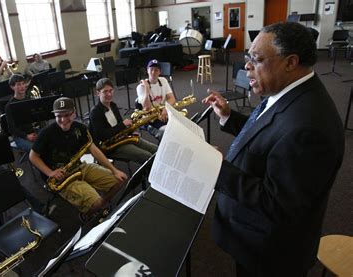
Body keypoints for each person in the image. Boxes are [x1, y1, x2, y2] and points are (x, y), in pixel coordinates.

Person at [202, 22, 344, 276]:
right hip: (252, 239)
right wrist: (228, 117)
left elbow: (278, 205)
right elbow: (270, 135)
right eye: (248, 57)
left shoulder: (310, 127)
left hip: (269, 255)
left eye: (256, 59)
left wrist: (216, 167)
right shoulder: (290, 91)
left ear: (290, 62)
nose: (246, 66)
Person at [29, 97, 127, 217]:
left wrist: (114, 170)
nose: (63, 120)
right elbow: (33, 156)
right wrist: (50, 173)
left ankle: (98, 206)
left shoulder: (80, 128)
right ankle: (90, 212)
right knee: (96, 203)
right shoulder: (46, 133)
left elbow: (94, 150)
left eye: (67, 115)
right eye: (58, 116)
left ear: (74, 113)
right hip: (60, 177)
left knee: (119, 181)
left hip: (79, 167)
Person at [89, 77, 158, 165]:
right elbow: (103, 136)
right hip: (109, 146)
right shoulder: (95, 112)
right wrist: (122, 125)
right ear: (98, 93)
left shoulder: (113, 106)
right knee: (147, 156)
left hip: (121, 139)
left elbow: (120, 126)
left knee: (156, 149)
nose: (109, 94)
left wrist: (130, 132)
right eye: (105, 91)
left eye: (111, 90)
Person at [136, 59, 176, 139]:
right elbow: (146, 107)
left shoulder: (163, 80)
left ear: (160, 72)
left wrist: (165, 109)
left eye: (156, 70)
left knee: (178, 127)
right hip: (151, 117)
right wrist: (147, 89)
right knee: (167, 133)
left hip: (163, 112)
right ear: (147, 70)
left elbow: (172, 98)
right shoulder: (140, 87)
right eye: (151, 70)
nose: (153, 72)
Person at [5, 74, 37, 152]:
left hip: (33, 130)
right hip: (20, 136)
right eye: (18, 85)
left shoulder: (30, 99)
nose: (22, 87)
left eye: (23, 84)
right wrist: (26, 136)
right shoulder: (9, 106)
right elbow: (11, 128)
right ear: (12, 87)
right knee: (35, 150)